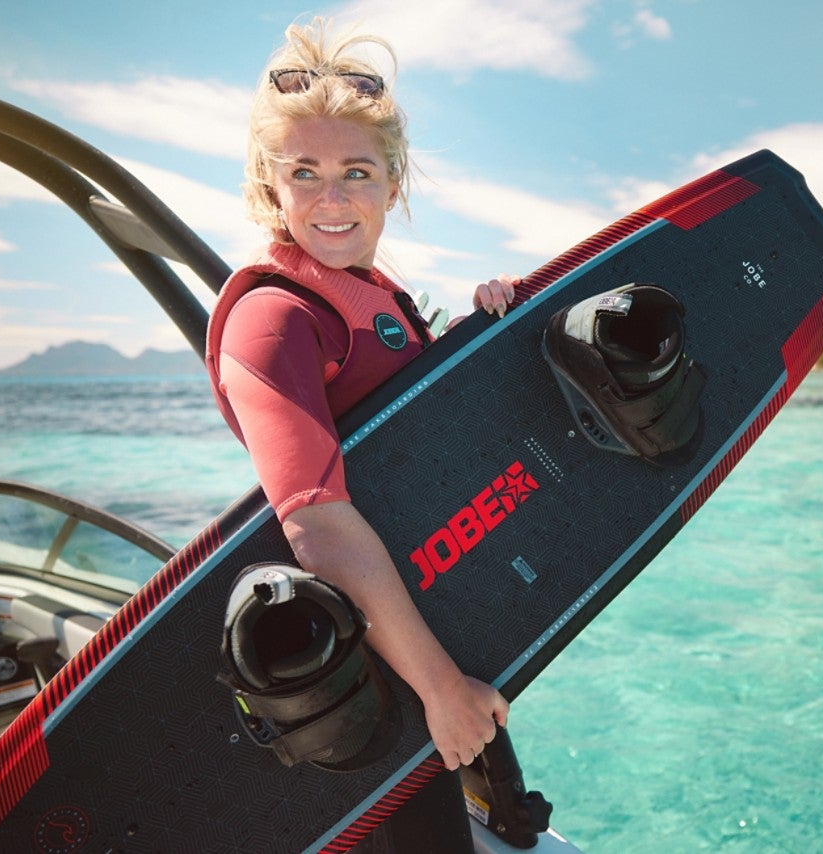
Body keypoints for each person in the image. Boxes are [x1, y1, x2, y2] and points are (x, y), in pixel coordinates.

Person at [205, 17, 517, 851]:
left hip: (426, 631)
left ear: (393, 184)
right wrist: (441, 686)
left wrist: (493, 336)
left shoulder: (374, 295)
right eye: (304, 173)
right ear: (271, 186)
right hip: (362, 689)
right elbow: (318, 522)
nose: (333, 197)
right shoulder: (272, 321)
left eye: (357, 171)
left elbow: (419, 438)